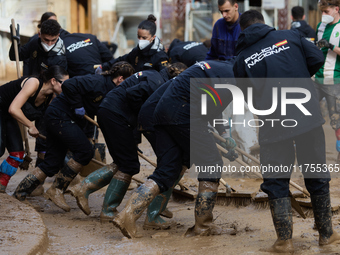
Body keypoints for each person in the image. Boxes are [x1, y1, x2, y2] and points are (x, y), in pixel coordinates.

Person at [233, 10, 340, 252]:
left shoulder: (242, 58)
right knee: (315, 171)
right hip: (307, 115)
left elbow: (245, 95)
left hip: (273, 122)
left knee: (276, 178)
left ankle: (284, 241)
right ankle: (326, 235)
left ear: (244, 30)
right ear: (264, 23)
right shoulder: (291, 36)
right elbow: (316, 58)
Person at [111, 60, 237, 238]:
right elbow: (212, 106)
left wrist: (223, 134)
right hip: (182, 111)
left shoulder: (216, 68)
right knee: (212, 163)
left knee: (168, 170)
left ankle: (127, 215)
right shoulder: (237, 75)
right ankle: (203, 226)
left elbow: (213, 104)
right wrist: (221, 135)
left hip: (162, 112)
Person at [71, 63, 186, 224]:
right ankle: (97, 200)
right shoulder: (157, 82)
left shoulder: (153, 75)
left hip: (111, 112)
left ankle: (88, 192)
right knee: (129, 165)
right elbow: (133, 94)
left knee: (123, 161)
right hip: (116, 115)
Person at [13, 62, 135, 212]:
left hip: (62, 118)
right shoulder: (96, 81)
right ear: (121, 79)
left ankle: (19, 194)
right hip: (59, 116)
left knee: (52, 162)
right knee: (85, 151)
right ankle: (56, 189)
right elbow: (69, 84)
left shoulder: (112, 91)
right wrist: (77, 105)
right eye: (129, 82)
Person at [0, 66, 69, 193]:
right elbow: (14, 109)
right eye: (64, 84)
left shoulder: (52, 97)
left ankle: (1, 185)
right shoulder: (33, 83)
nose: (66, 87)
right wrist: (31, 126)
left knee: (17, 155)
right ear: (53, 81)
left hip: (8, 117)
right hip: (4, 108)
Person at [315, 0, 340, 163]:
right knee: (304, 111)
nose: (323, 15)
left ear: (337, 9)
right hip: (316, 79)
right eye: (322, 12)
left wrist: (330, 45)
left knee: (336, 120)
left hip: (335, 81)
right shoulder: (320, 26)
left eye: (327, 12)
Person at [99, 14, 168, 73]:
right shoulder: (136, 52)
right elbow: (122, 60)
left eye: (144, 38)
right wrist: (103, 67)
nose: (140, 40)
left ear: (153, 37)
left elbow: (163, 79)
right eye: (139, 36)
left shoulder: (160, 57)